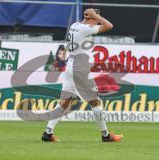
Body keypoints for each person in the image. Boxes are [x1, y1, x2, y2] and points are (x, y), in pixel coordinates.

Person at [42, 8, 123, 142]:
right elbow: (109, 26)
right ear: (92, 17)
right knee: (96, 102)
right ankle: (106, 135)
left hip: (71, 65)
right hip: (80, 68)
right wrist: (97, 16)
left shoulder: (75, 25)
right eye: (96, 19)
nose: (97, 22)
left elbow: (92, 26)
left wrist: (93, 17)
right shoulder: (85, 28)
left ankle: (48, 133)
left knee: (64, 101)